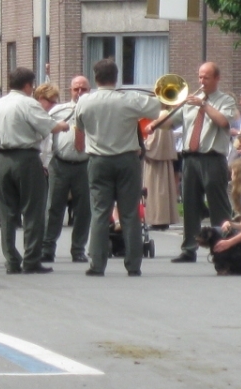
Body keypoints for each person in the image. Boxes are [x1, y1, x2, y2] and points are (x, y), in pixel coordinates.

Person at [76, 58, 160, 276]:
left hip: (98, 160)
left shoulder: (84, 101)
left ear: (95, 78)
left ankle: (97, 264)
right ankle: (133, 265)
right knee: (130, 213)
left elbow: (79, 135)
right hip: (126, 160)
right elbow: (157, 108)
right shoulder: (129, 99)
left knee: (100, 213)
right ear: (116, 77)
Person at [146, 62, 235, 264]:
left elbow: (223, 122)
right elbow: (170, 122)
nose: (201, 82)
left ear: (217, 79)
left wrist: (204, 105)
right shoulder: (189, 102)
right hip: (190, 158)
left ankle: (223, 247)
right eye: (200, 77)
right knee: (190, 205)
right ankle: (189, 248)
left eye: (206, 78)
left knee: (218, 206)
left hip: (213, 157)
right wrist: (156, 121)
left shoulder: (225, 100)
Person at [0, 67, 69, 275]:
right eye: (31, 85)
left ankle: (11, 260)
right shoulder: (28, 103)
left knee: (6, 212)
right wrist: (62, 125)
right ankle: (31, 259)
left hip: (2, 158)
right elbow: (48, 126)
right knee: (32, 210)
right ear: (27, 85)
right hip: (26, 158)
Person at [40, 76, 92, 263]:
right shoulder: (58, 111)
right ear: (70, 90)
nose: (79, 93)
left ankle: (78, 249)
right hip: (60, 163)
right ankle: (47, 248)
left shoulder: (94, 111)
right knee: (54, 207)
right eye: (76, 89)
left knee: (83, 210)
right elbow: (45, 134)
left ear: (89, 90)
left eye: (83, 89)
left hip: (85, 164)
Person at [143, 109, 180, 230]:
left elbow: (155, 145)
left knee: (157, 191)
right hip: (162, 161)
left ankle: (159, 220)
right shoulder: (163, 116)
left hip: (156, 163)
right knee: (161, 191)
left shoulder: (161, 118)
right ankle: (161, 220)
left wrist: (142, 146)